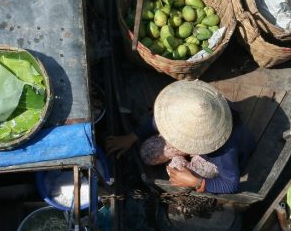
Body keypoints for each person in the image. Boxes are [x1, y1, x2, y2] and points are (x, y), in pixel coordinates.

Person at [104, 80, 254, 194]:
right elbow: (159, 121)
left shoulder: (225, 150)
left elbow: (230, 184)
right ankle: (188, 160)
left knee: (176, 170)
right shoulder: (191, 105)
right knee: (147, 153)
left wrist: (198, 182)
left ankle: (192, 165)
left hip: (213, 159)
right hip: (201, 140)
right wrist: (132, 136)